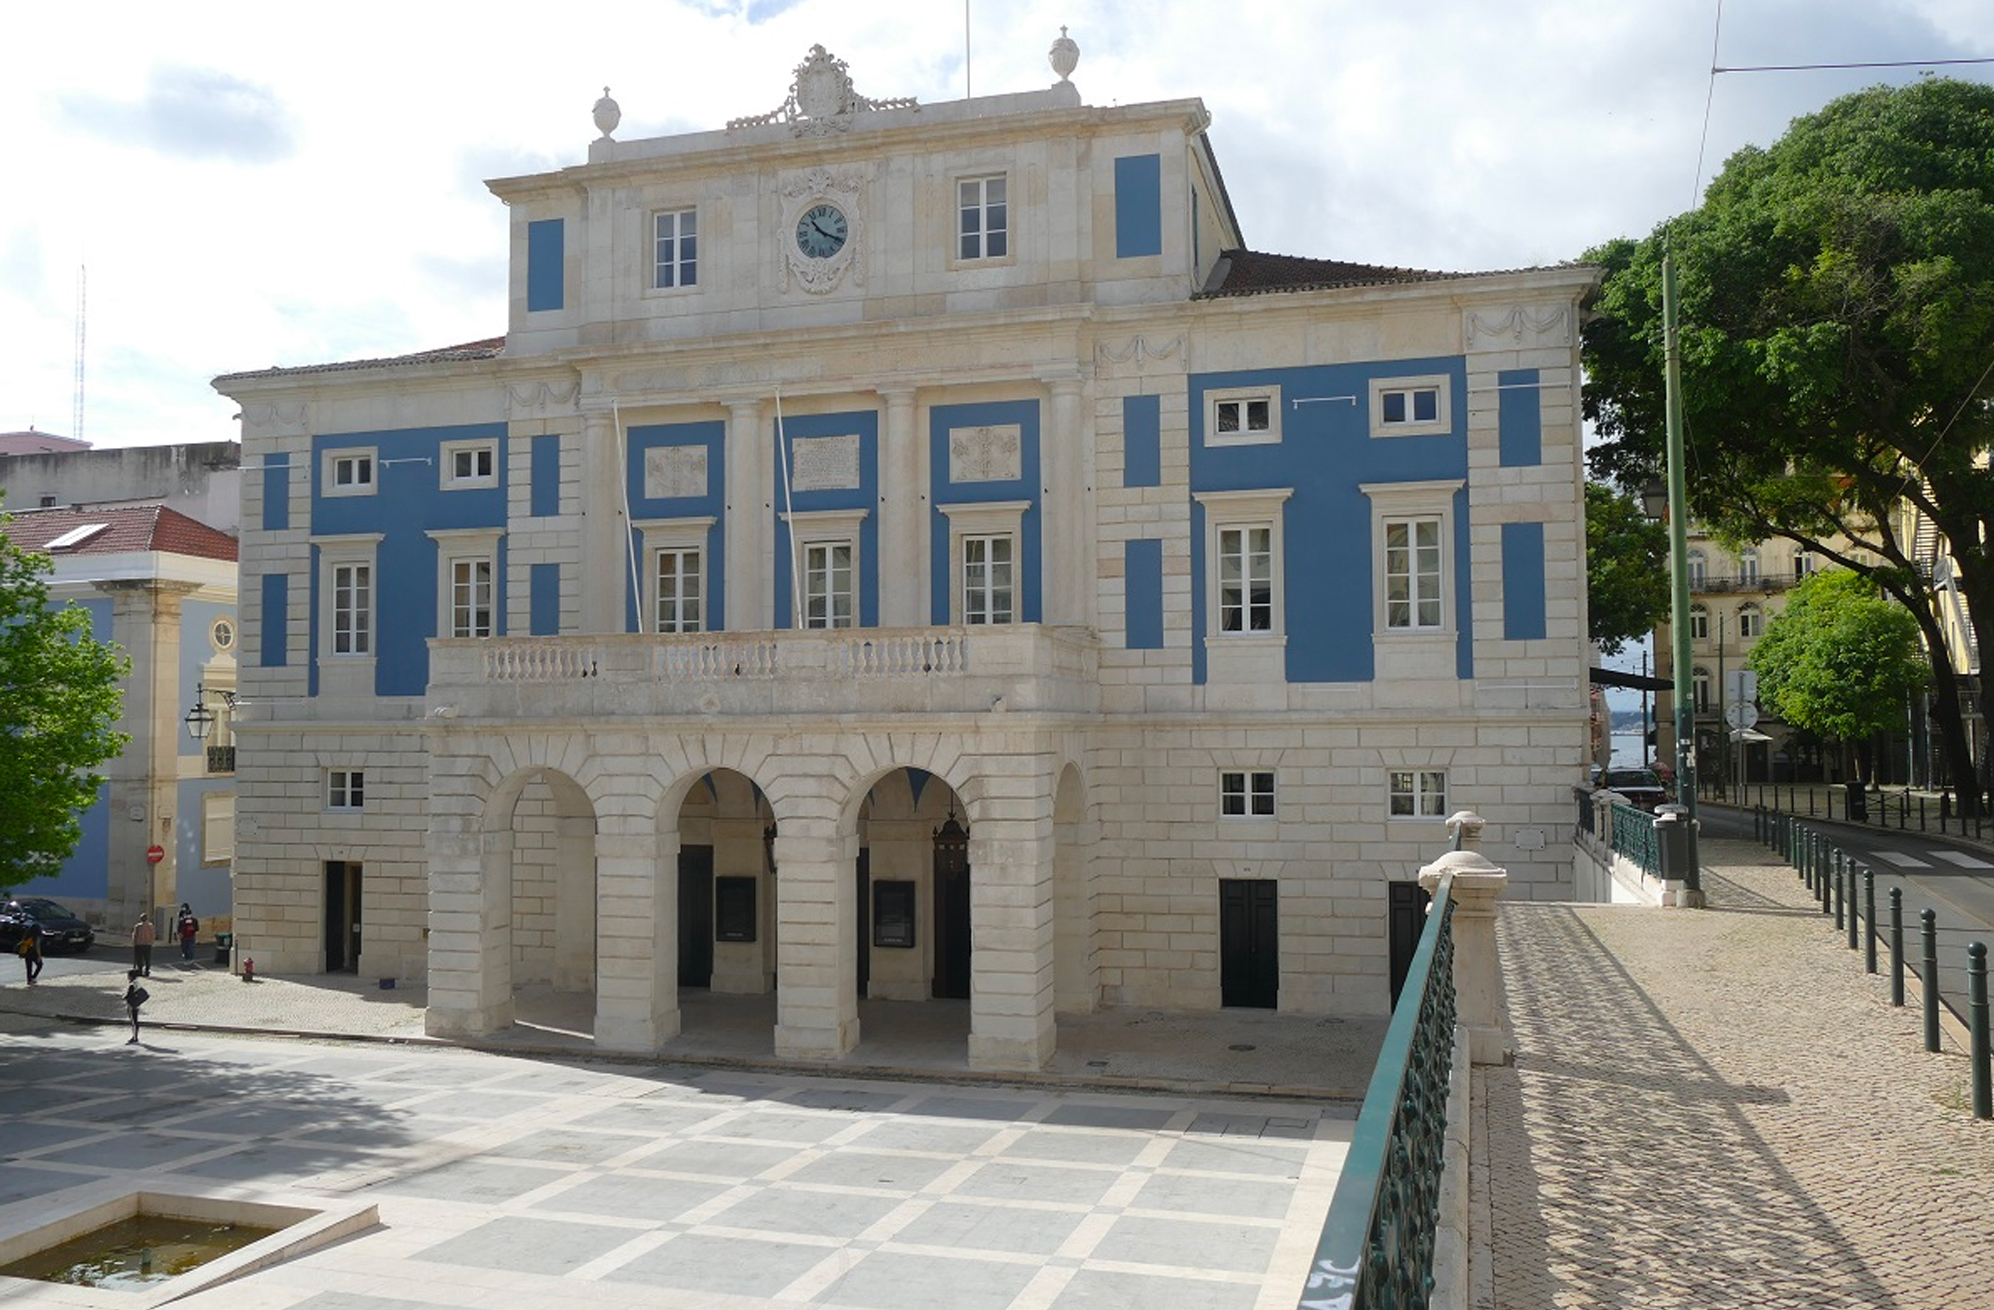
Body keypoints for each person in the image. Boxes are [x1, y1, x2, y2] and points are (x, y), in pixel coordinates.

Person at [123, 969, 147, 1044]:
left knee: (133, 1022)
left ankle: (134, 1037)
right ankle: (135, 1036)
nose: (128, 977)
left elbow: (128, 995)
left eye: (128, 976)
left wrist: (122, 997)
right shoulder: (137, 983)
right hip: (136, 1004)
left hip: (132, 1005)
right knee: (135, 1021)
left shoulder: (132, 985)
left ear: (131, 976)